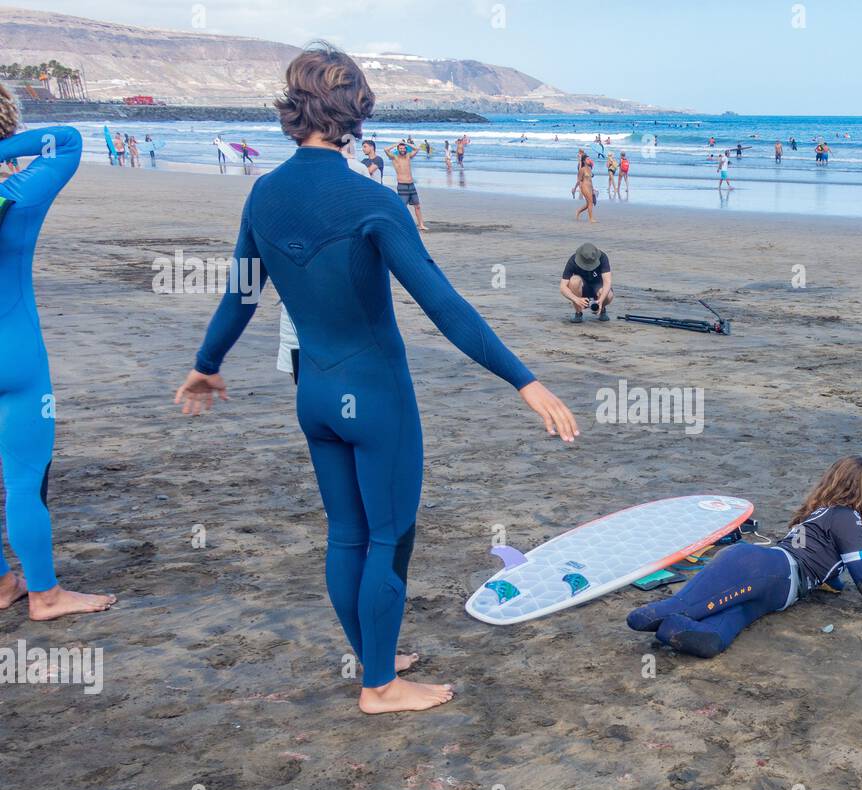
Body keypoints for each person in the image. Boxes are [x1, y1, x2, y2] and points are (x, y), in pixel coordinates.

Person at [173, 45, 577, 715]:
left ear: (292, 107)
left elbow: (240, 295)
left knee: (345, 534)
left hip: (314, 396)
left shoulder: (264, 193)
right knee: (389, 535)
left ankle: (376, 658)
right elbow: (444, 305)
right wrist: (524, 382)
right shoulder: (373, 201)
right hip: (376, 396)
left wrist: (206, 365)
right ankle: (381, 687)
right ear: (357, 110)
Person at [0, 88, 117, 619]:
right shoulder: (20, 193)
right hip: (15, 357)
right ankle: (45, 594)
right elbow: (67, 140)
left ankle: (4, 584)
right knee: (25, 479)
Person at [626, 456, 862, 657]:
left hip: (776, 589)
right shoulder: (847, 518)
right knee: (676, 608)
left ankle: (671, 630)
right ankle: (660, 617)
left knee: (712, 640)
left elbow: (829, 570)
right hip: (766, 570)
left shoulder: (822, 516)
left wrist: (835, 584)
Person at [561, 242, 612, 323]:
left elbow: (607, 282)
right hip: (582, 288)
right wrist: (576, 299)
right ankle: (578, 313)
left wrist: (601, 300)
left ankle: (601, 310)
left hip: (598, 287)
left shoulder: (603, 257)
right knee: (574, 280)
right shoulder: (573, 260)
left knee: (609, 295)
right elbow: (563, 287)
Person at [385, 139, 426, 230]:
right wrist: (397, 143)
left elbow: (417, 149)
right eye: (401, 148)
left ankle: (421, 225)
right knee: (403, 207)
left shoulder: (408, 156)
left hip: (411, 185)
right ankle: (400, 225)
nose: (402, 150)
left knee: (417, 206)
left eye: (404, 148)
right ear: (398, 149)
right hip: (402, 185)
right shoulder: (394, 157)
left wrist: (406, 143)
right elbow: (386, 149)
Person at [575, 154, 597, 221]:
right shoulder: (582, 170)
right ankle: (591, 218)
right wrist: (575, 188)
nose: (589, 160)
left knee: (588, 204)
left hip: (590, 187)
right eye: (587, 159)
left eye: (589, 159)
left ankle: (578, 211)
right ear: (584, 161)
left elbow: (590, 180)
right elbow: (578, 180)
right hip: (584, 186)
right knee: (590, 202)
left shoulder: (590, 169)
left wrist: (593, 189)